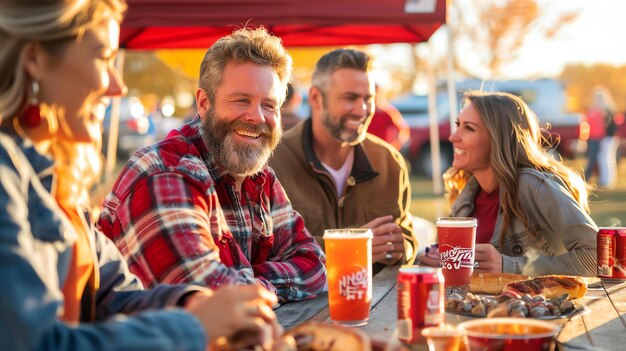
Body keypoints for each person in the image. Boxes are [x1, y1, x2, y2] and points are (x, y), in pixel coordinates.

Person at [0, 1, 282, 350]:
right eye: (104, 58)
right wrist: (192, 325)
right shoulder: (5, 173)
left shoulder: (57, 182)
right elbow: (34, 344)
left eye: (268, 104)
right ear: (36, 59)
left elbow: (116, 297)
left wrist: (193, 303)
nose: (118, 87)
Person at [96, 27, 326, 303]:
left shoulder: (259, 176)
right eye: (242, 100)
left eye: (269, 105)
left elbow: (314, 264)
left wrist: (255, 284)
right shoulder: (165, 172)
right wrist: (255, 286)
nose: (257, 117)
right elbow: (212, 298)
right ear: (204, 103)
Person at [420, 91, 597, 277]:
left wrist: (512, 266)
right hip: (481, 306)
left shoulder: (533, 185)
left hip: (538, 304)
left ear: (498, 138)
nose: (453, 137)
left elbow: (599, 257)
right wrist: (437, 262)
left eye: (469, 128)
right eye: (457, 125)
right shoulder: (464, 199)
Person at [269, 48, 417, 268]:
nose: (362, 110)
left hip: (377, 301)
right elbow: (263, 247)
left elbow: (406, 237)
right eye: (350, 98)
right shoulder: (273, 161)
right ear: (316, 98)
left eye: (369, 98)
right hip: (301, 301)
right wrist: (350, 246)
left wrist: (403, 246)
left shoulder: (390, 162)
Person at [584, 85, 619, 189]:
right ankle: (602, 180)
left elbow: (609, 126)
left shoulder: (606, 111)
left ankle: (602, 180)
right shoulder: (595, 109)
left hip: (602, 138)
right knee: (598, 159)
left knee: (602, 159)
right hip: (594, 137)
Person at [367, 84, 410, 152]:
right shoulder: (362, 111)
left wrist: (393, 148)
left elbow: (402, 130)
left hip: (381, 151)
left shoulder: (388, 111)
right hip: (365, 150)